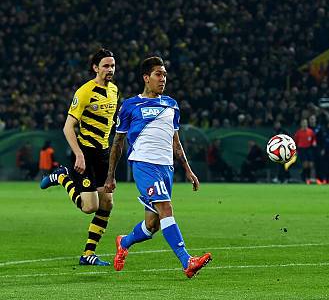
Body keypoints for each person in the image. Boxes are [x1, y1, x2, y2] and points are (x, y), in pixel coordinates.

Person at [104, 56, 211, 278]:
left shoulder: (171, 104)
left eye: (164, 75)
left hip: (166, 168)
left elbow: (175, 141)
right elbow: (118, 142)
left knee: (152, 224)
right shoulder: (130, 106)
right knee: (166, 209)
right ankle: (187, 261)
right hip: (144, 164)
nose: (163, 79)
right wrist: (110, 176)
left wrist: (188, 170)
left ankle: (124, 242)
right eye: (158, 74)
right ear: (146, 78)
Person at [40, 48, 118, 266]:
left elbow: (109, 122)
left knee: (107, 203)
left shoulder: (114, 91)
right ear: (95, 67)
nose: (110, 69)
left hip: (104, 153)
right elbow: (68, 127)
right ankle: (61, 177)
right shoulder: (84, 92)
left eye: (112, 65)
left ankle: (88, 254)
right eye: (106, 65)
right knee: (89, 207)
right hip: (87, 153)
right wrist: (79, 155)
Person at [294, 118, 317, 184]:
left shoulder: (310, 131)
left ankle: (309, 178)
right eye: (303, 123)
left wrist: (314, 143)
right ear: (301, 124)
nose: (304, 124)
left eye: (305, 123)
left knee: (311, 164)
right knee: (305, 164)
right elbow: (295, 142)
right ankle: (305, 177)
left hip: (309, 149)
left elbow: (313, 139)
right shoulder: (298, 132)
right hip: (302, 149)